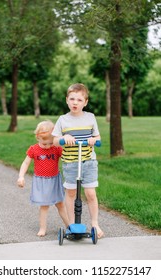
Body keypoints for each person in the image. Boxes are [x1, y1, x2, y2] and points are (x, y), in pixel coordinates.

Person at [52, 83, 104, 238]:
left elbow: (98, 137)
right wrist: (63, 138)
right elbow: (55, 141)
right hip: (70, 163)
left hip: (88, 161)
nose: (75, 102)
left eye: (79, 100)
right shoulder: (63, 120)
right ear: (67, 100)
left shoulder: (90, 117)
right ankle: (72, 224)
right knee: (71, 193)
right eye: (72, 99)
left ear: (85, 102)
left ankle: (95, 223)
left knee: (90, 193)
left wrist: (93, 140)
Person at [17, 120, 69, 237]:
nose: (47, 146)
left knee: (60, 204)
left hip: (55, 180)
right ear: (38, 138)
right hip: (41, 181)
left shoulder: (56, 148)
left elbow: (67, 157)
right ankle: (42, 228)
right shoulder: (34, 149)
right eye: (44, 143)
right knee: (44, 206)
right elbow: (25, 163)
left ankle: (69, 225)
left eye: (50, 143)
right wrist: (21, 176)